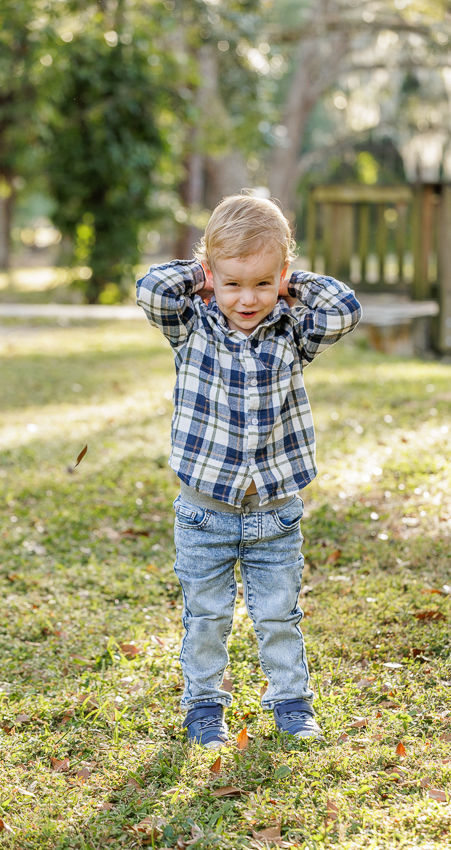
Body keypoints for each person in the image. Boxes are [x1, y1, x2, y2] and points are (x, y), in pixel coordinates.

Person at [136, 194, 362, 748]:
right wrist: (204, 274)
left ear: (281, 277)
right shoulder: (192, 325)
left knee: (280, 615)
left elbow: (345, 308)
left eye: (263, 283)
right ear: (211, 277)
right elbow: (151, 288)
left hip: (274, 513)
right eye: (233, 283)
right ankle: (204, 707)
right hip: (204, 515)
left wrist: (290, 285)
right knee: (206, 618)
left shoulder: (292, 329)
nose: (247, 298)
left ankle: (291, 702)